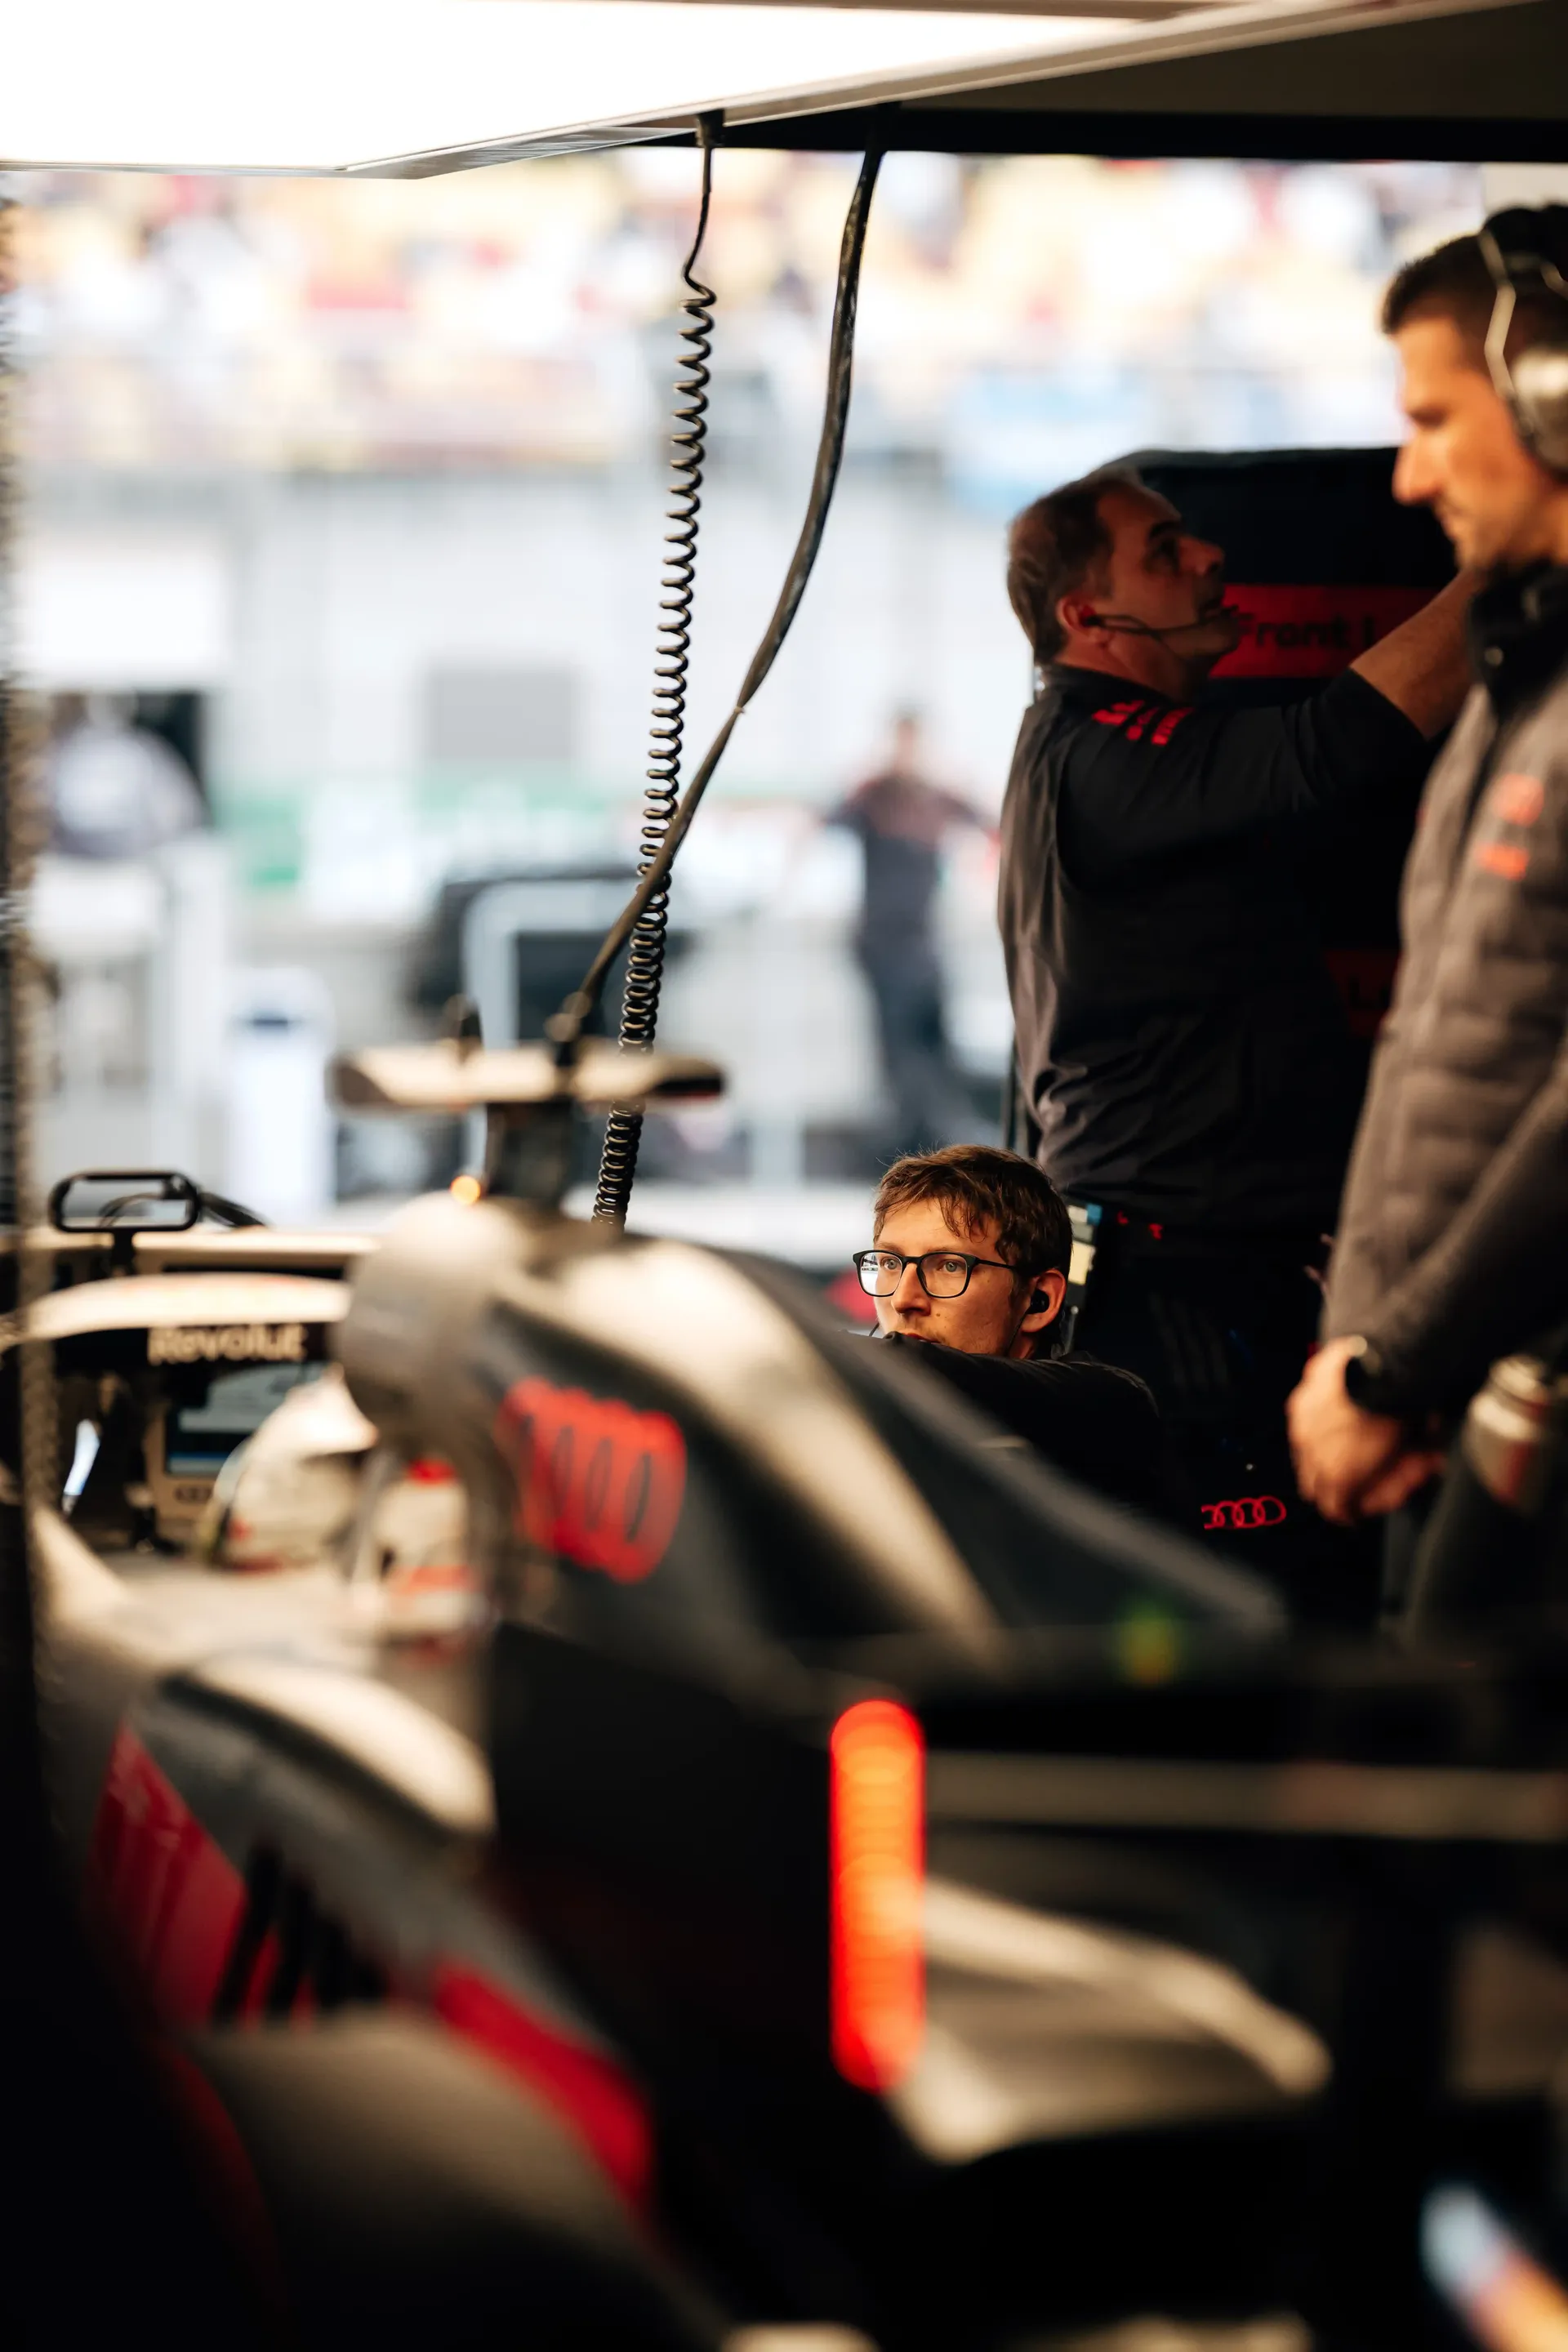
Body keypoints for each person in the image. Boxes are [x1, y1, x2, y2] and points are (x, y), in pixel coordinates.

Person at [996, 462, 1476, 1604]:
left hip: (1216, 1280)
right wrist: (1521, 558)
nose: (1210, 559)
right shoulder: (1099, 750)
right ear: (1086, 617)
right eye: (1165, 552)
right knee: (1270, 1622)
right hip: (1179, 1302)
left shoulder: (1112, 752)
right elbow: (1333, 749)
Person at [1290, 207, 1568, 1547]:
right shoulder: (1507, 704)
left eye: (1436, 419)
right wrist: (1360, 1357)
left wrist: (1392, 1366)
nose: (1408, 478)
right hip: (1437, 1400)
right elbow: (1421, 1065)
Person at [853, 1143, 1183, 1522]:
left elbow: (911, 1363)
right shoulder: (873, 1419)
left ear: (1039, 1299)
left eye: (948, 1266)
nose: (903, 1298)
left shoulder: (1110, 1405)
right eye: (890, 1263)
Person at [827, 711, 991, 1160]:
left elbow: (989, 820)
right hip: (880, 944)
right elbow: (826, 821)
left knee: (933, 1046)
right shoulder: (873, 794)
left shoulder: (938, 796)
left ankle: (936, 1141)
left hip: (923, 943)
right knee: (895, 1052)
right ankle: (902, 1145)